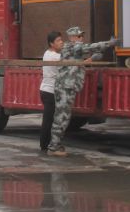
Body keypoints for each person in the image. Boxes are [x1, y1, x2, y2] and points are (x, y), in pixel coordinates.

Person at [46, 27, 118, 156]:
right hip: (64, 88)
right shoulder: (70, 47)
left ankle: (56, 145)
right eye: (79, 37)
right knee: (61, 117)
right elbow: (90, 47)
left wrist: (96, 54)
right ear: (73, 37)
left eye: (81, 36)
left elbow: (86, 55)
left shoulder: (74, 50)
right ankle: (53, 147)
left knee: (64, 117)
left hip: (68, 87)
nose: (81, 39)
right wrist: (109, 43)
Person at [39, 31, 63, 152]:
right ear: (51, 43)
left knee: (48, 119)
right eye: (58, 40)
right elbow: (68, 63)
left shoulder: (46, 53)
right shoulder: (55, 56)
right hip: (50, 91)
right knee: (49, 120)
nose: (61, 42)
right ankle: (44, 146)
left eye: (61, 40)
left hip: (44, 89)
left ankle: (44, 144)